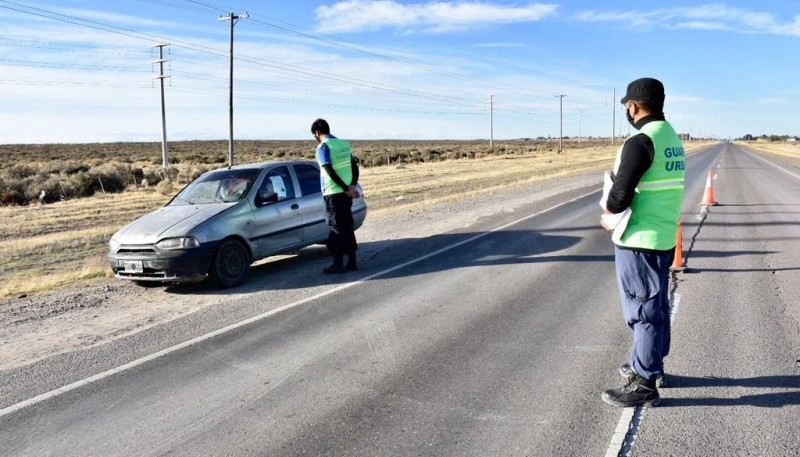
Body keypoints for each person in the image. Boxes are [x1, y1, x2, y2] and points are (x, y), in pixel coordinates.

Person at [600, 77, 685, 407]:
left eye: (627, 106)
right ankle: (651, 364)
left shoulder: (640, 142)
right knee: (657, 305)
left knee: (643, 311)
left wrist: (607, 213)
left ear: (633, 107)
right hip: (662, 237)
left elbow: (620, 196)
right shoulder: (671, 137)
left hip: (638, 239)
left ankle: (645, 382)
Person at [312, 118, 361, 274]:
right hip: (346, 192)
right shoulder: (344, 144)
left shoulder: (323, 147)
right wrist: (352, 185)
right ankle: (352, 261)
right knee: (347, 225)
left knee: (336, 228)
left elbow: (329, 170)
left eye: (314, 135)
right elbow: (354, 166)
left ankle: (338, 263)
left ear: (317, 133)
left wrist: (345, 187)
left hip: (333, 193)